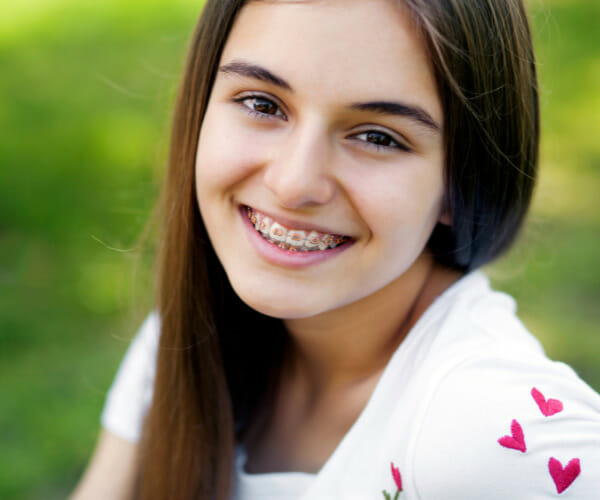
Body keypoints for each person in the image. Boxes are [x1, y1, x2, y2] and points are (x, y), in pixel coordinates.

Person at [70, 0, 600, 499]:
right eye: (262, 104)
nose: (294, 183)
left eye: (377, 137)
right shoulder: (189, 336)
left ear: (460, 183)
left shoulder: (491, 432)